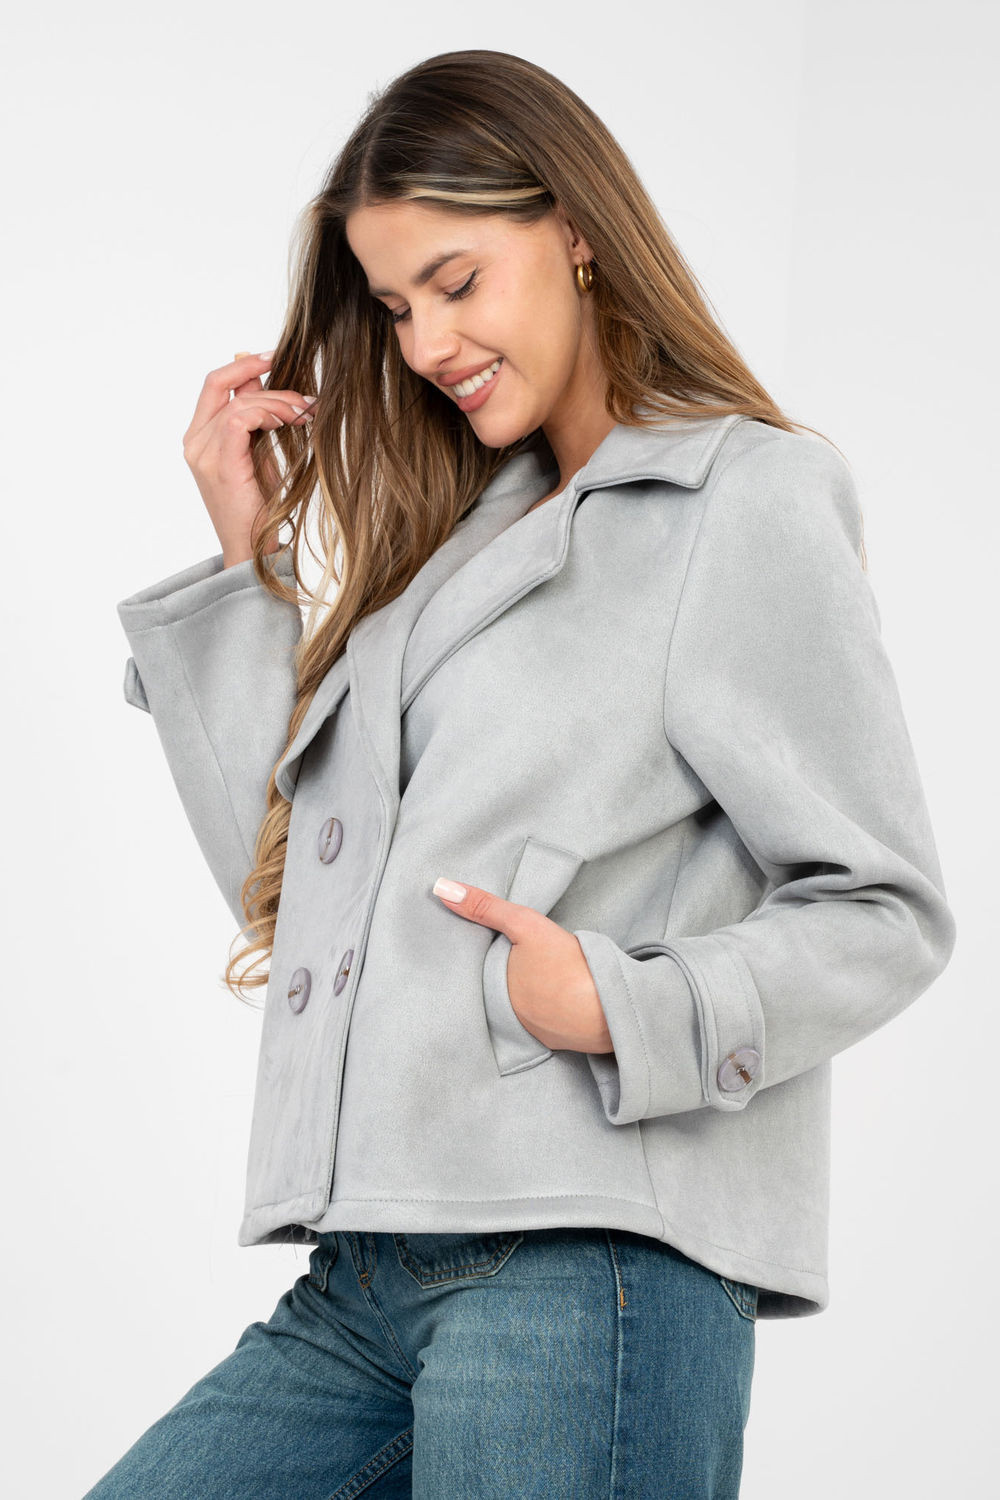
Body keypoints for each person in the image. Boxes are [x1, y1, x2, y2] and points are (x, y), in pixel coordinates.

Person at [85, 46, 956, 1500]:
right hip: (367, 1270)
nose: (426, 342)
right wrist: (247, 569)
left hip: (583, 1264)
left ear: (577, 231)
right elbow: (293, 901)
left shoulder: (738, 500)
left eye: (456, 280)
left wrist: (623, 1005)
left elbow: (885, 909)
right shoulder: (448, 552)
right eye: (394, 306)